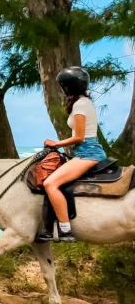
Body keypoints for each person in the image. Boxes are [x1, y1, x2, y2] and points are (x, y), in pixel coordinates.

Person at [37, 66, 105, 243]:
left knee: (50, 184)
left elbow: (80, 137)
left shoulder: (81, 104)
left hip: (88, 153)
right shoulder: (83, 101)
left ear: (66, 87)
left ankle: (65, 230)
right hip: (84, 151)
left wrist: (56, 143)